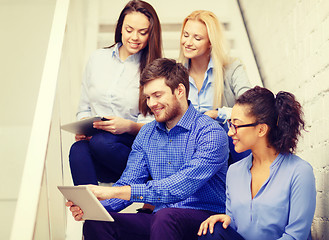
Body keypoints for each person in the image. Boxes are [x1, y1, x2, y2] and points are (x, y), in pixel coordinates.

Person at [66, 58, 229, 240]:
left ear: (180, 91)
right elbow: (129, 180)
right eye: (148, 97)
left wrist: (111, 191)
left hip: (204, 218)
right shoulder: (147, 134)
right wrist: (93, 208)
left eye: (157, 95)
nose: (151, 103)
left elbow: (179, 187)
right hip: (161, 219)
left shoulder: (211, 132)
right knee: (96, 222)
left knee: (165, 216)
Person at [198, 86, 316, 240]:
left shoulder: (299, 172)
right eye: (229, 123)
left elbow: (295, 236)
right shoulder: (234, 172)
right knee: (212, 231)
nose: (230, 132)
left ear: (261, 130)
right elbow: (239, 228)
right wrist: (228, 222)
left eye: (236, 125)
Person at [69, 0, 162, 185]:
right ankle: (91, 213)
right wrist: (82, 127)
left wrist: (128, 126)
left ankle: (146, 179)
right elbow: (84, 106)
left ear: (151, 34)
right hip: (103, 150)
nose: (135, 37)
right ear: (120, 28)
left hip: (132, 147)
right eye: (129, 30)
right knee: (78, 149)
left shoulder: (156, 69)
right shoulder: (97, 59)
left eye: (142, 32)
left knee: (102, 142)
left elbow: (159, 124)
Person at [179, 10, 252, 164]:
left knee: (239, 133)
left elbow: (252, 107)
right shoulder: (174, 73)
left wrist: (216, 114)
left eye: (197, 38)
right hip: (187, 144)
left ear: (211, 42)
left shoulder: (232, 68)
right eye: (186, 35)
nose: (188, 42)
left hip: (224, 141)